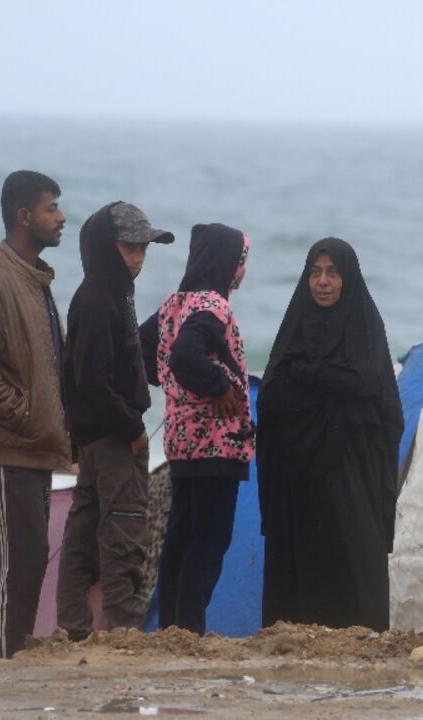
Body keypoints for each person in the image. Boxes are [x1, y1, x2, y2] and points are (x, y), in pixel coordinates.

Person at [256, 237, 403, 632]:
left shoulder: (365, 327)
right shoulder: (295, 327)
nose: (322, 282)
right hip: (297, 477)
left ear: (348, 278)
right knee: (299, 570)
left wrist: (309, 375)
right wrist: (327, 386)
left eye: (332, 272)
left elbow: (370, 385)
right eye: (315, 272)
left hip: (349, 470)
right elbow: (271, 392)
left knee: (352, 558)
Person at [0, 170, 70, 659]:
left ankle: (11, 663)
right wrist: (25, 416)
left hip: (33, 450)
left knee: (28, 561)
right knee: (10, 567)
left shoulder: (33, 279)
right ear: (24, 217)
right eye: (51, 209)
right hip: (8, 449)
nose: (61, 217)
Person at [56, 202, 174, 641]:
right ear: (107, 248)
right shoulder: (100, 298)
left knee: (84, 534)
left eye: (144, 247)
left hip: (94, 439)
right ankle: (124, 631)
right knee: (124, 532)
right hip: (112, 439)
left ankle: (75, 628)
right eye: (130, 247)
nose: (139, 257)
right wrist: (132, 428)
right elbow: (92, 381)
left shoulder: (111, 292)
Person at [140, 223, 252, 635]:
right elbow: (186, 354)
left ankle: (172, 627)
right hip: (216, 445)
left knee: (180, 537)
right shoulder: (212, 307)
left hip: (182, 442)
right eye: (242, 261)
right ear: (227, 263)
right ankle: (189, 629)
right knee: (208, 541)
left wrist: (173, 388)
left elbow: (140, 345)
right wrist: (217, 385)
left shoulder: (177, 302)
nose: (242, 271)